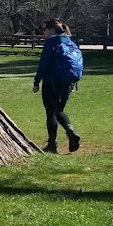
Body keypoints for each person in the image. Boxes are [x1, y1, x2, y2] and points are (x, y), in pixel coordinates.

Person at [32, 18, 81, 154]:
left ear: (51, 30)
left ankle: (52, 145)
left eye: (44, 29)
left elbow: (44, 64)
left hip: (52, 82)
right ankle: (71, 132)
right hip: (68, 82)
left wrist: (36, 82)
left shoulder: (51, 43)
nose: (43, 33)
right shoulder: (69, 41)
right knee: (58, 110)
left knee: (51, 113)